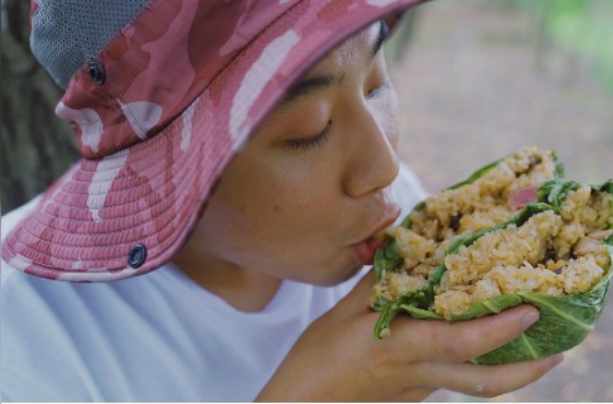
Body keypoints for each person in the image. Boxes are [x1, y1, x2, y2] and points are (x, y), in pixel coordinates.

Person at [0, 0, 563, 401]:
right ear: (158, 177)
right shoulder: (27, 345)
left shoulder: (402, 217)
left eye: (376, 83)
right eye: (306, 130)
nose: (385, 168)